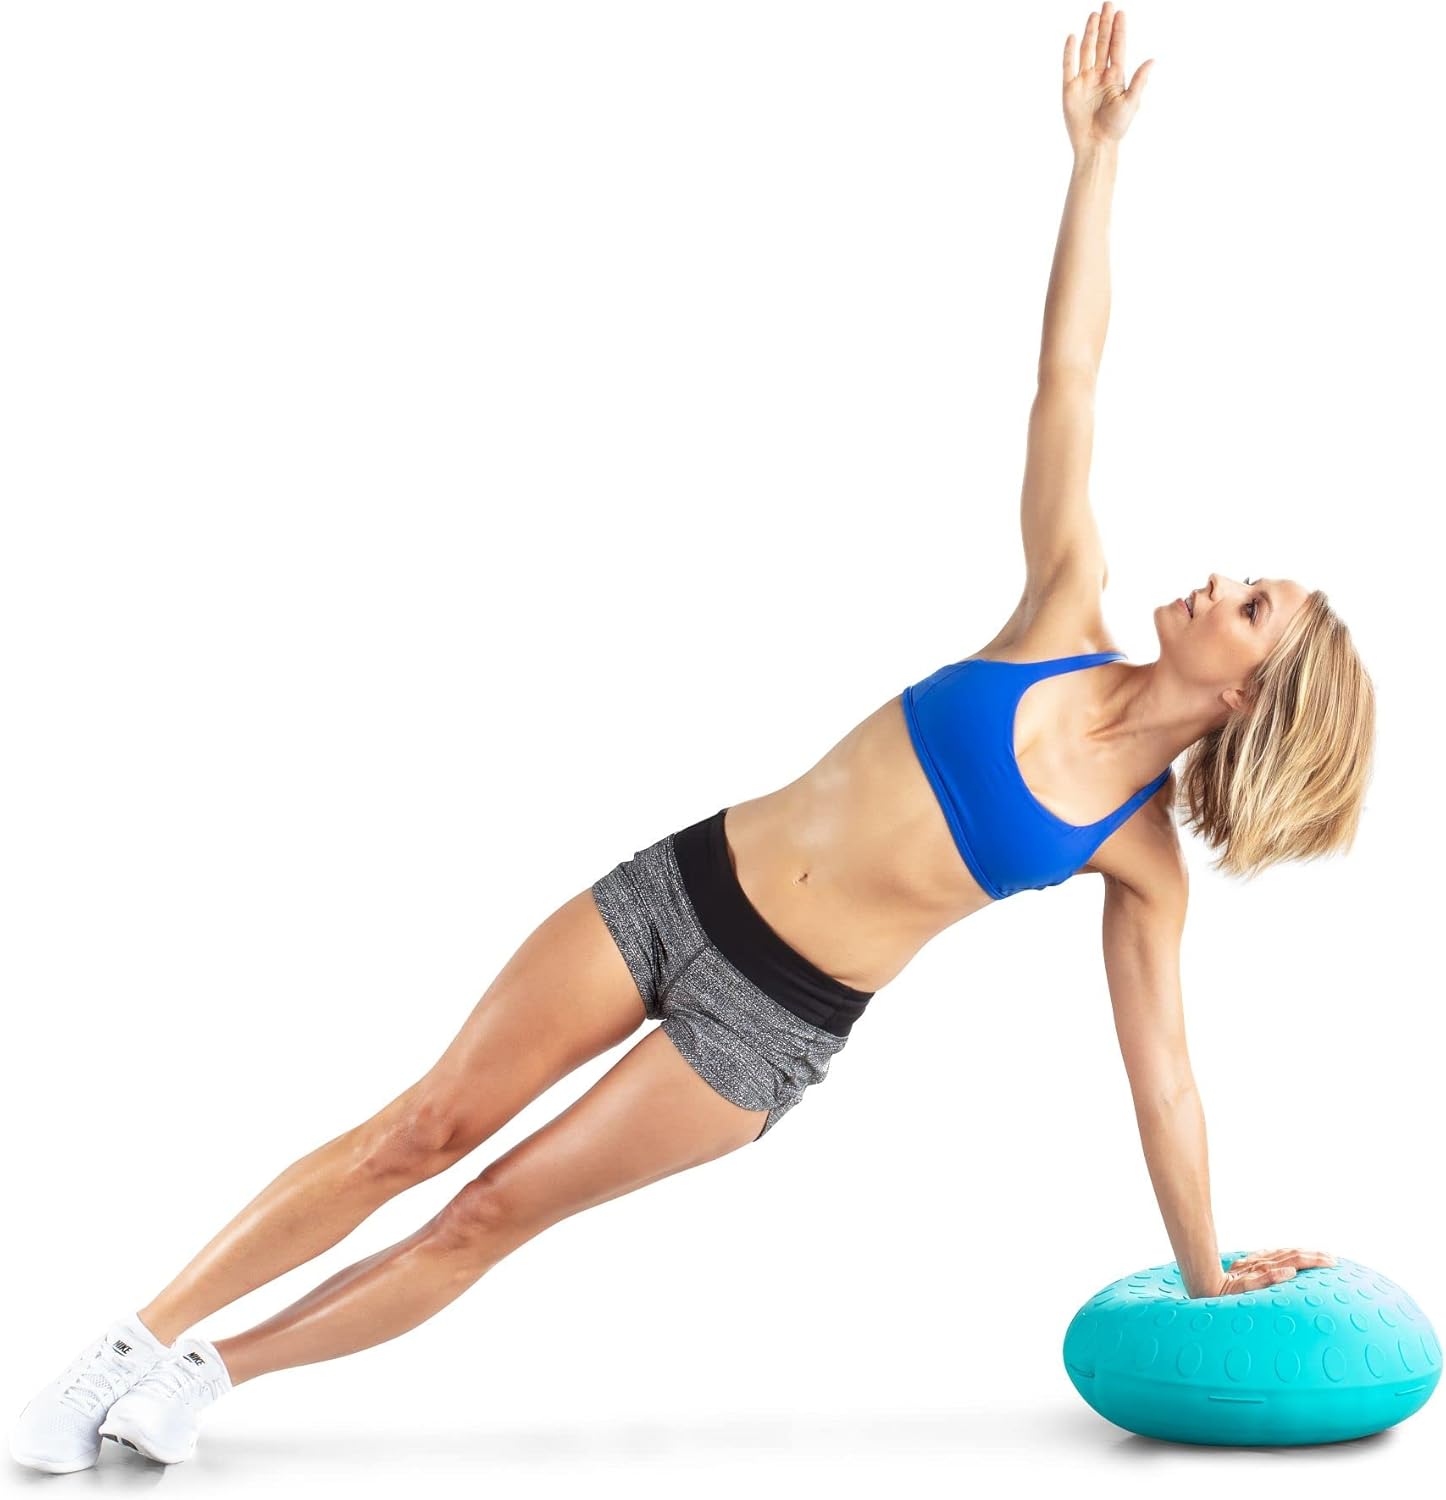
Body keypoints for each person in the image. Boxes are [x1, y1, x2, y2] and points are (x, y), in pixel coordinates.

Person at [10, 4, 1370, 1473]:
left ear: (1247, 701)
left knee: (483, 1217)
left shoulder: (1138, 855)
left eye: (1247, 606)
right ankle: (128, 1340)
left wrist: (1207, 1267)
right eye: (1241, 578)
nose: (1217, 580)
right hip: (679, 887)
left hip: (763, 1032)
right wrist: (1093, 163)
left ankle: (211, 1376)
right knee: (422, 1129)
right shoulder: (1058, 610)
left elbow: (1161, 1077)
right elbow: (1068, 380)